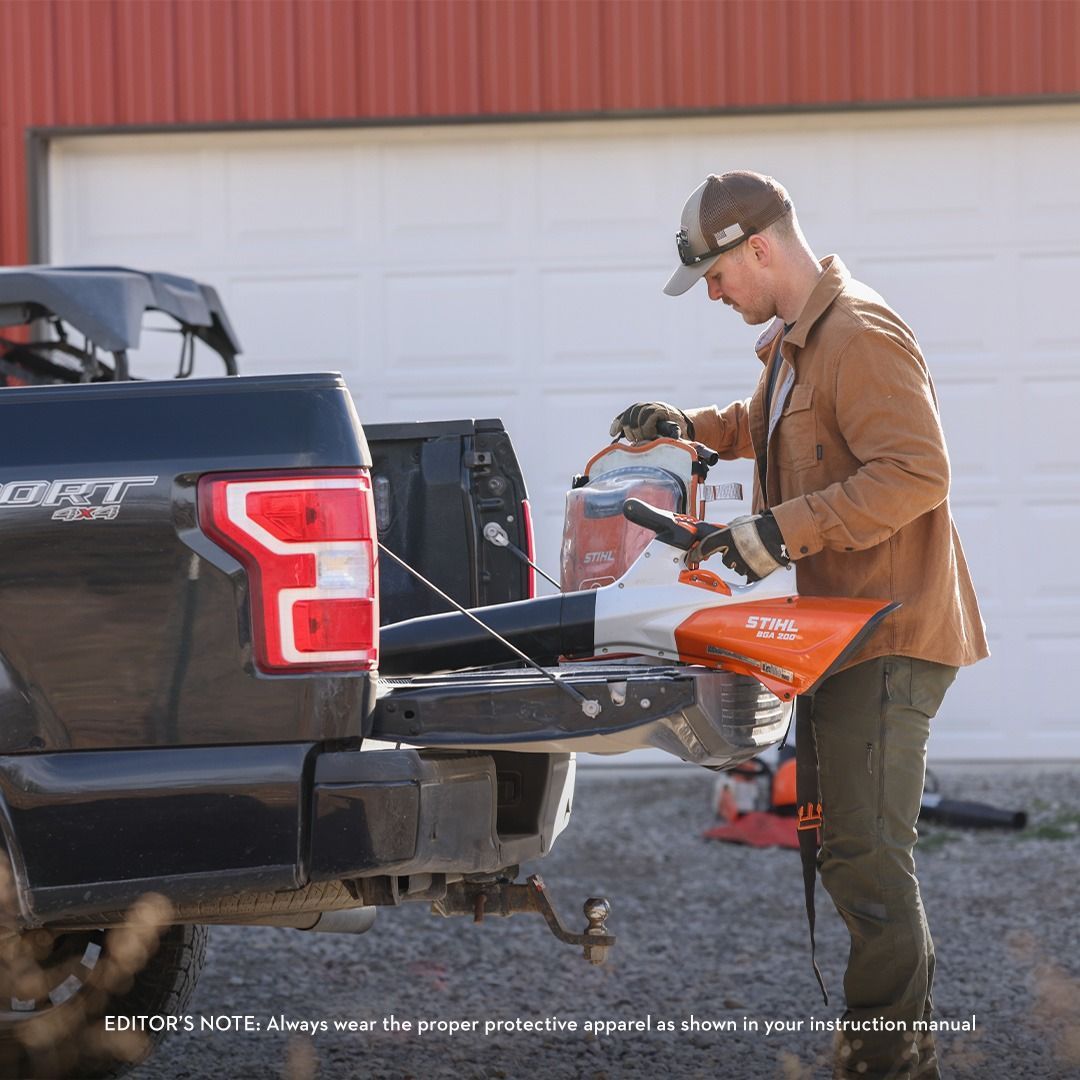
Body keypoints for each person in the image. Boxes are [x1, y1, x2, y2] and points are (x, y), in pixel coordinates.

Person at [610, 171, 988, 1080]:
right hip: (840, 635)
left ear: (759, 247)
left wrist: (778, 533)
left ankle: (888, 1067)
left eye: (714, 273)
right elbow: (776, 428)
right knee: (847, 850)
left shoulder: (859, 332)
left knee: (865, 856)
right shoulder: (796, 343)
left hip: (889, 638)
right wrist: (690, 425)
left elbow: (915, 475)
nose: (712, 291)